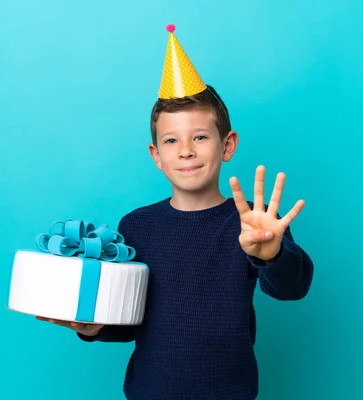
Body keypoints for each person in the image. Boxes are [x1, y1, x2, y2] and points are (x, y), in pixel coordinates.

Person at [37, 24, 314, 400]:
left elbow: (292, 288)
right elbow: (131, 321)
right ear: (157, 155)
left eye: (199, 137)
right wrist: (92, 328)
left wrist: (272, 255)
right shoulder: (136, 226)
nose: (185, 150)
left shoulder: (254, 223)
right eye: (171, 140)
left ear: (227, 145)